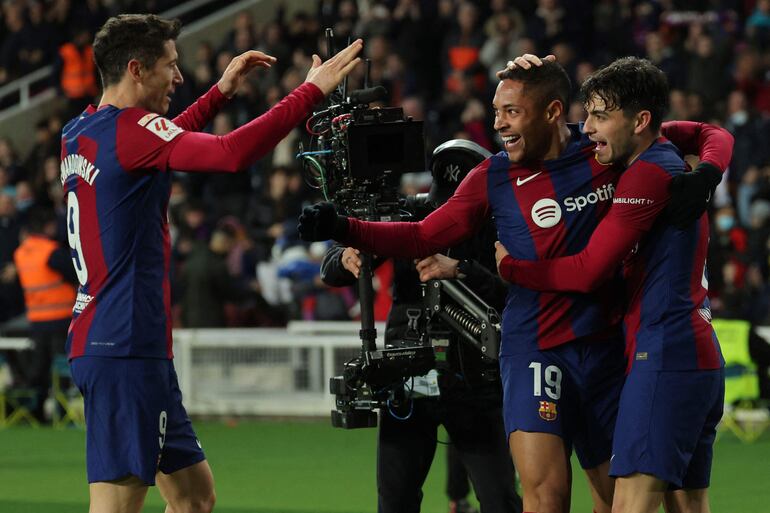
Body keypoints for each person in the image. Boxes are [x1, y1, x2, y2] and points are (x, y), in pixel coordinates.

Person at [298, 60, 732, 513]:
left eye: (511, 111)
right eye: (496, 110)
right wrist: (347, 227)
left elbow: (707, 134)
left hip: (605, 348)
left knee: (612, 500)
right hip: (535, 349)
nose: (499, 123)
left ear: (551, 112)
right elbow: (424, 235)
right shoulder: (493, 176)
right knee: (545, 499)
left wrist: (709, 173)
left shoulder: (602, 145)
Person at [60, 13, 361, 513]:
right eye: (170, 66)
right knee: (115, 505)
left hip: (112, 338)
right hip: (125, 343)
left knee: (196, 497)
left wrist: (219, 94)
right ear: (137, 69)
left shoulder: (81, 130)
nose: (179, 77)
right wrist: (309, 93)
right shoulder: (132, 133)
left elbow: (152, 143)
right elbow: (229, 153)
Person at [494, 57, 730, 513]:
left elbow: (588, 270)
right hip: (698, 353)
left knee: (628, 506)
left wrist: (513, 269)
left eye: (600, 116)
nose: (588, 128)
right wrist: (710, 170)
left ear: (640, 121)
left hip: (663, 354)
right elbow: (714, 133)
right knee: (691, 507)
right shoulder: (667, 158)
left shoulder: (644, 172)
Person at [320, 140, 522, 513]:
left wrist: (462, 270)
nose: (444, 217)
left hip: (476, 383)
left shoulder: (503, 224)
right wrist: (347, 255)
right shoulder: (410, 215)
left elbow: (518, 291)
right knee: (395, 501)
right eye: (439, 205)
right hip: (408, 381)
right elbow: (332, 268)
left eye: (455, 207)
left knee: (500, 500)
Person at [10, 206, 77, 422]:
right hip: (60, 318)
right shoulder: (52, 251)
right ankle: (62, 413)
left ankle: (34, 414)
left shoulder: (20, 253)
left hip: (36, 320)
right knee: (62, 370)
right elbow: (77, 274)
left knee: (39, 369)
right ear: (48, 226)